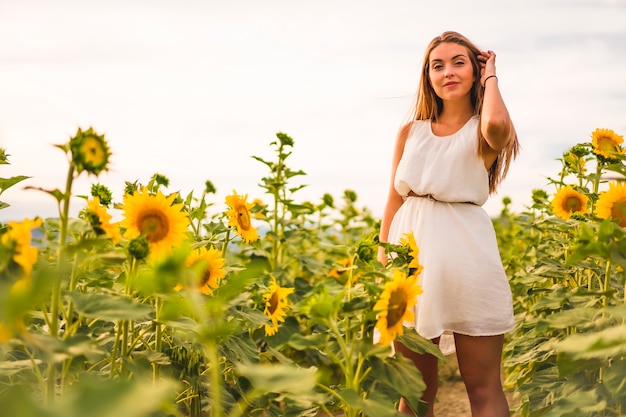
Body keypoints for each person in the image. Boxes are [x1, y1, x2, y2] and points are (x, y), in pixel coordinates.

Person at [377, 31, 520, 417]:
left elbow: (497, 122)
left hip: (467, 255)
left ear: (474, 71)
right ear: (428, 77)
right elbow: (394, 199)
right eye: (437, 65)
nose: (448, 72)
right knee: (415, 391)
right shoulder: (410, 132)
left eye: (459, 62)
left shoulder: (484, 131)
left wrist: (492, 74)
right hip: (409, 254)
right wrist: (383, 260)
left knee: (483, 385)